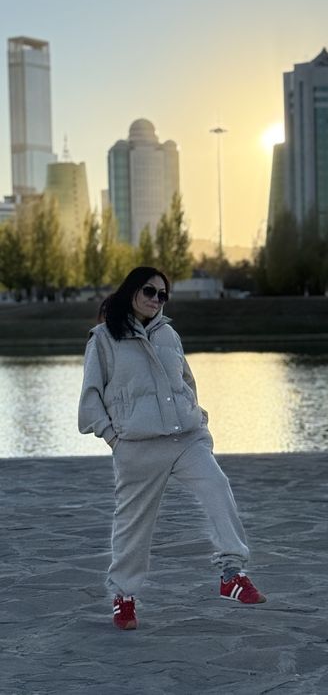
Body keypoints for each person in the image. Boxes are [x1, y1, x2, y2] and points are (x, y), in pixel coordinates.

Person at [78, 266, 266, 630]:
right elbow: (90, 395)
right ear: (132, 290)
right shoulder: (103, 338)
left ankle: (232, 574)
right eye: (149, 291)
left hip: (186, 438)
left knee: (217, 486)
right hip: (137, 446)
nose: (156, 299)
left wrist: (198, 418)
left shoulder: (168, 333)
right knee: (133, 525)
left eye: (162, 294)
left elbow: (186, 380)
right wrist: (113, 437)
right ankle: (124, 597)